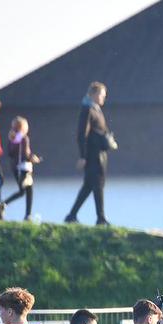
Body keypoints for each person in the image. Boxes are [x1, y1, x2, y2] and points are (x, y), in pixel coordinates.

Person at [66, 81, 113, 225]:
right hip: (93, 155)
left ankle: (72, 215)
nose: (103, 98)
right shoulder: (88, 110)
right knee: (97, 184)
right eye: (101, 95)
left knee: (88, 186)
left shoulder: (96, 109)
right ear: (93, 94)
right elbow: (82, 134)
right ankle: (101, 218)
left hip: (100, 153)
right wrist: (83, 156)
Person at [1, 116, 41, 221]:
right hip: (24, 168)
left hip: (15, 167)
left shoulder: (13, 138)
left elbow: (11, 152)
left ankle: (26, 214)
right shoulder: (23, 138)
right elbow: (25, 154)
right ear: (23, 127)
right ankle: (26, 214)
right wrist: (33, 158)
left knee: (24, 191)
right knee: (26, 191)